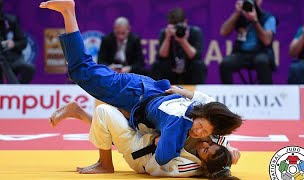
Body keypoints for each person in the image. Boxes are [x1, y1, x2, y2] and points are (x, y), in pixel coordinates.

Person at [39, 0, 242, 167]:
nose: (198, 132)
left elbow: (211, 106)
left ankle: (79, 114)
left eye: (204, 133)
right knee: (81, 71)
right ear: (201, 116)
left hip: (144, 101)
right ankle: (68, 12)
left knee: (119, 131)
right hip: (136, 92)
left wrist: (227, 147)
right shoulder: (178, 125)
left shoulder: (202, 113)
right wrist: (167, 144)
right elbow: (163, 158)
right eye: (199, 127)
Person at [50, 101, 240, 180]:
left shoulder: (186, 168)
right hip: (149, 135)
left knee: (104, 112)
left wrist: (160, 144)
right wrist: (231, 153)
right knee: (123, 113)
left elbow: (154, 168)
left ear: (204, 166)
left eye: (205, 151)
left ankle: (105, 163)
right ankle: (79, 113)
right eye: (210, 143)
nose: (204, 143)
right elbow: (220, 143)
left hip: (140, 155)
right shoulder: (213, 140)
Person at [219, 0, 277, 84]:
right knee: (226, 64)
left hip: (261, 52)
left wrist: (255, 21)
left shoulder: (268, 18)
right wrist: (237, 13)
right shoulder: (240, 16)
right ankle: (229, 93)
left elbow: (267, 41)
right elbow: (223, 32)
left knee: (262, 61)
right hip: (241, 53)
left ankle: (267, 93)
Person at [151, 8, 206, 84]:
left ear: (185, 22)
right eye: (174, 26)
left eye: (179, 25)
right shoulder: (165, 33)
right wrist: (167, 38)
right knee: (157, 65)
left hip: (189, 70)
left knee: (199, 65)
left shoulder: (195, 32)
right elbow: (162, 56)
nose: (177, 29)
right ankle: (159, 92)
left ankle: (197, 93)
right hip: (171, 71)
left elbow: (194, 56)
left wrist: (183, 40)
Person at [0, 0, 35, 84]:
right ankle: (15, 90)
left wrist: (13, 44)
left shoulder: (10, 20)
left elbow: (23, 42)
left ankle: (17, 92)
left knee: (29, 68)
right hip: (1, 59)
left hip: (13, 58)